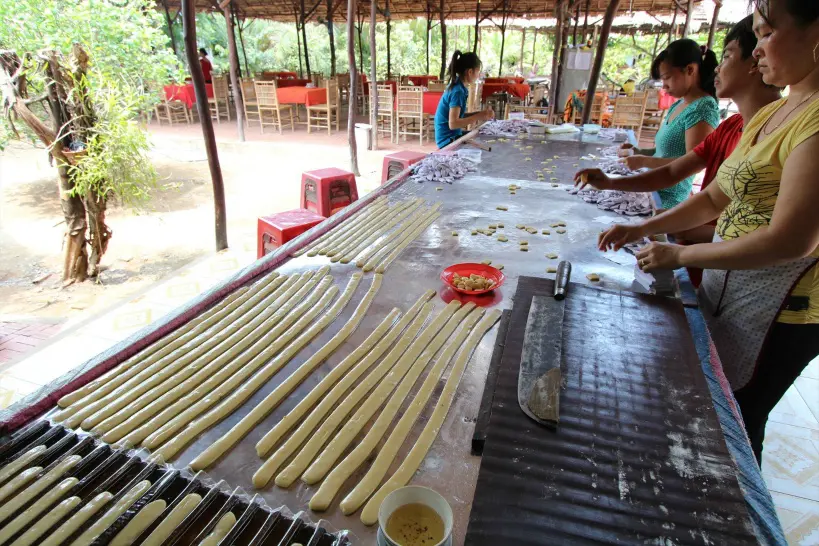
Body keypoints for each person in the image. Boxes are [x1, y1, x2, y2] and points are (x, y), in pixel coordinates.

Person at [597, 0, 819, 465]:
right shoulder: (771, 114)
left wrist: (680, 256)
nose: (758, 50)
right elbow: (715, 198)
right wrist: (643, 227)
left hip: (784, 309)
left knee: (741, 419)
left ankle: (743, 526)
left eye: (767, 33)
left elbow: (792, 241)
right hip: (733, 284)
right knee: (717, 403)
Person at [575, 16, 782, 248]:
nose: (717, 68)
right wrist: (611, 184)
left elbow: (780, 239)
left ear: (757, 61)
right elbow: (685, 181)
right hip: (712, 264)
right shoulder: (730, 127)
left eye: (727, 56)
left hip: (729, 260)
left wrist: (683, 243)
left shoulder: (782, 132)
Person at [620, 39, 721, 209]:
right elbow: (663, 151)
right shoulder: (678, 104)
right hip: (652, 187)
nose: (664, 86)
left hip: (668, 198)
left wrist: (644, 161)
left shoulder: (704, 108)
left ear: (690, 70)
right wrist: (639, 151)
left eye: (667, 78)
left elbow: (691, 164)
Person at [434, 51, 494, 149]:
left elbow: (458, 117)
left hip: (451, 136)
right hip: (447, 140)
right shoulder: (458, 91)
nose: (478, 75)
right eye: (478, 71)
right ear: (470, 72)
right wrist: (479, 116)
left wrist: (480, 114)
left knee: (483, 137)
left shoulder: (459, 86)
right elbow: (453, 124)